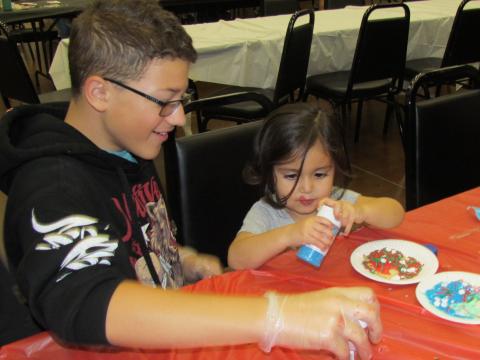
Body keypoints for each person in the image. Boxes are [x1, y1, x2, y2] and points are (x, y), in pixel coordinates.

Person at [0, 1, 382, 358]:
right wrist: (277, 316)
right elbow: (87, 301)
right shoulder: (54, 186)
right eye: (165, 101)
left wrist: (179, 260)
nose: (181, 117)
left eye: (181, 98)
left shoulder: (128, 145)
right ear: (100, 92)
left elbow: (130, 241)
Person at [228, 103, 405, 270]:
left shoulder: (336, 202)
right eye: (291, 176)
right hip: (288, 299)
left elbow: (395, 213)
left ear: (334, 168)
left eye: (319, 174)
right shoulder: (267, 212)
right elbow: (236, 259)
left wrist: (361, 212)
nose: (307, 187)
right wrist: (290, 234)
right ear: (269, 173)